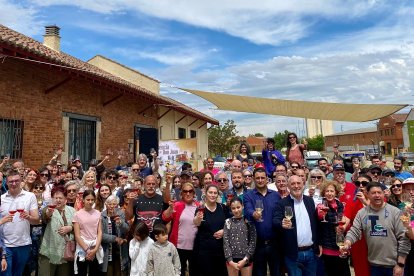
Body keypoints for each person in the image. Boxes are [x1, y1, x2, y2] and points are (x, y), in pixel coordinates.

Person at [341, 182, 411, 276]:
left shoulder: (395, 212)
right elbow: (354, 231)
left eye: (379, 192)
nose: (377, 195)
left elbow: (404, 238)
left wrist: (400, 264)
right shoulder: (362, 213)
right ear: (367, 194)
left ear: (383, 194)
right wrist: (347, 243)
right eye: (373, 193)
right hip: (374, 265)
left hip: (394, 265)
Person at [273, 175, 319, 276]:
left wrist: (318, 245)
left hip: (311, 252)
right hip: (293, 254)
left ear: (303, 185)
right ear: (288, 186)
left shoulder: (310, 201)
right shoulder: (282, 203)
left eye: (299, 183)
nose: (296, 186)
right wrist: (281, 223)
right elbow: (275, 220)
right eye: (293, 184)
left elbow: (315, 224)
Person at [244, 167, 281, 276]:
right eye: (257, 178)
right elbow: (248, 209)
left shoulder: (275, 195)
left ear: (267, 180)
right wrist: (253, 214)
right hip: (257, 244)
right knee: (259, 273)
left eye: (262, 178)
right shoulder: (248, 196)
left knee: (276, 273)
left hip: (275, 243)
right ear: (254, 180)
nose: (260, 180)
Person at [1, 170, 39, 276]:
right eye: (11, 181)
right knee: (6, 274)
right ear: (6, 183)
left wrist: (29, 217)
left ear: (21, 181)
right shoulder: (1, 199)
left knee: (18, 274)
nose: (14, 184)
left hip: (23, 244)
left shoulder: (30, 196)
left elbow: (36, 220)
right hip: (5, 245)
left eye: (16, 181)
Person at [162, 182, 199, 276]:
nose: (188, 193)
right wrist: (170, 208)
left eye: (190, 191)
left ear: (194, 193)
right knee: (179, 273)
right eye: (185, 191)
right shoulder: (177, 205)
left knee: (195, 272)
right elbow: (165, 218)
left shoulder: (199, 206)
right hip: (178, 246)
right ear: (181, 193)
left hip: (195, 246)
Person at [38, 185, 75, 276]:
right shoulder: (48, 209)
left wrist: (70, 228)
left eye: (60, 198)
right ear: (52, 199)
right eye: (56, 198)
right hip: (49, 251)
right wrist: (48, 213)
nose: (58, 200)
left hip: (66, 252)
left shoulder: (72, 210)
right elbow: (45, 216)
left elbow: (78, 226)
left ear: (65, 199)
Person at [193, 184, 229, 276]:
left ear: (217, 195)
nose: (212, 195)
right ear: (205, 193)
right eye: (210, 192)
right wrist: (198, 218)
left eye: (215, 193)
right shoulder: (200, 209)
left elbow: (230, 224)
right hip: (204, 252)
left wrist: (224, 231)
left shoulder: (222, 208)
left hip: (221, 251)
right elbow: (196, 223)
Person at [315, 181, 349, 276]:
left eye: (332, 191)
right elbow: (320, 217)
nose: (329, 193)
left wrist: (343, 226)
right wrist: (321, 214)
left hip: (341, 247)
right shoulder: (321, 205)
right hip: (328, 248)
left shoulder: (340, 204)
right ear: (323, 193)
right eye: (327, 191)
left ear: (336, 192)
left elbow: (344, 219)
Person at [342, 174, 372, 276]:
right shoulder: (353, 201)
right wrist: (341, 227)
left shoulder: (378, 198)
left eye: (364, 183)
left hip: (376, 240)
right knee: (361, 270)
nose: (361, 186)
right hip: (359, 240)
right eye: (357, 183)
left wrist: (364, 201)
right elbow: (346, 218)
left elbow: (380, 214)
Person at [73, 190, 103, 276]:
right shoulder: (77, 214)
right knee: (81, 272)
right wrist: (88, 250)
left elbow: (100, 231)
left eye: (92, 200)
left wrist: (95, 249)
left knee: (95, 272)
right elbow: (77, 235)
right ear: (83, 199)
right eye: (88, 199)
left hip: (95, 247)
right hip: (82, 248)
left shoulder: (98, 213)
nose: (90, 202)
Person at [223, 197, 256, 276]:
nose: (236, 210)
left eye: (238, 207)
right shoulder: (228, 222)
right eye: (233, 208)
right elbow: (225, 242)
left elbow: (253, 241)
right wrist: (230, 261)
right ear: (230, 209)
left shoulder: (249, 221)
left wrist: (245, 259)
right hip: (231, 259)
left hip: (246, 258)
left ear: (243, 206)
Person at [100, 195, 129, 276]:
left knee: (119, 271)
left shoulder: (120, 213)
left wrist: (121, 223)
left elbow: (127, 229)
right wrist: (115, 238)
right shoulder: (102, 216)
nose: (112, 206)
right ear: (106, 204)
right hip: (107, 249)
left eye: (114, 204)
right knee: (109, 271)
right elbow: (100, 235)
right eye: (109, 204)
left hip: (119, 248)